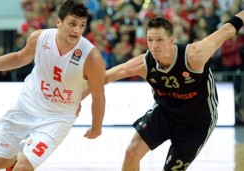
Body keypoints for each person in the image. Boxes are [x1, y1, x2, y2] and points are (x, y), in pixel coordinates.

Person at [0, 0, 106, 170]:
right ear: (58, 22)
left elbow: (98, 95)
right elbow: (18, 58)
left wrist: (96, 127)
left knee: (23, 168)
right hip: (26, 106)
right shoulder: (39, 38)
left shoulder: (91, 57)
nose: (77, 30)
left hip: (57, 118)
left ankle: (21, 162)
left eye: (82, 25)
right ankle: (15, 159)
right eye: (72, 24)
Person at [102, 10, 244, 171]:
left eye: (159, 40)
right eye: (150, 40)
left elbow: (227, 30)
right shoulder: (143, 63)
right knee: (131, 153)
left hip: (197, 122)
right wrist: (75, 98)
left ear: (171, 40)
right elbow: (104, 77)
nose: (154, 46)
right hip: (165, 113)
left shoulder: (194, 55)